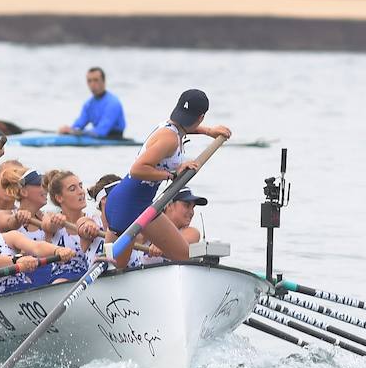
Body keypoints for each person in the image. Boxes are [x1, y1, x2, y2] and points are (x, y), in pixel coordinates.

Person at [103, 89, 229, 269]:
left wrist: (209, 131)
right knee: (117, 269)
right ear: (201, 117)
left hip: (133, 203)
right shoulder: (170, 139)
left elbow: (187, 127)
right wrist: (172, 174)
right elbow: (137, 169)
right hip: (129, 207)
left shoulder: (172, 127)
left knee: (181, 255)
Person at [42, 169, 104, 280]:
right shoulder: (51, 218)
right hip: (61, 279)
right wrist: (55, 222)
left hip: (92, 276)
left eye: (80, 186)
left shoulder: (95, 219)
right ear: (59, 198)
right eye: (72, 189)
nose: (81, 192)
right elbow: (47, 225)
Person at [58, 67, 127, 138]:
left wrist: (76, 132)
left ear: (104, 82)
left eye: (96, 80)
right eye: (89, 81)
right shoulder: (88, 104)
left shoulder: (113, 103)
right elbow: (78, 125)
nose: (92, 84)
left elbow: (101, 131)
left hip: (114, 138)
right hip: (97, 137)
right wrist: (67, 130)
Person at [142, 188, 207, 262]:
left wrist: (162, 244)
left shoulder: (192, 232)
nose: (191, 212)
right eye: (187, 205)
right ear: (169, 205)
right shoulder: (147, 225)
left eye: (193, 207)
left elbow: (182, 244)